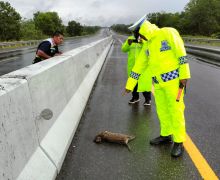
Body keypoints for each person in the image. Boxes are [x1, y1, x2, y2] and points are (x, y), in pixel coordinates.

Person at [124, 16, 191, 157]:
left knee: (176, 111)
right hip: (158, 84)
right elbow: (138, 66)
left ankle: (179, 141)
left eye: (139, 35)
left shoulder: (168, 32)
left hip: (174, 83)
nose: (139, 39)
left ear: (144, 30)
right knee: (162, 110)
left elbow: (181, 53)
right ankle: (166, 135)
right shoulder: (147, 45)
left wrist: (184, 75)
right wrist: (130, 85)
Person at [121, 33, 151, 105]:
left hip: (143, 67)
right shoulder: (130, 38)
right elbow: (123, 49)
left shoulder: (145, 38)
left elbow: (150, 49)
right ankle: (135, 97)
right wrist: (128, 43)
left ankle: (148, 99)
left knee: (144, 83)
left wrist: (142, 42)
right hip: (132, 66)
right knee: (133, 83)